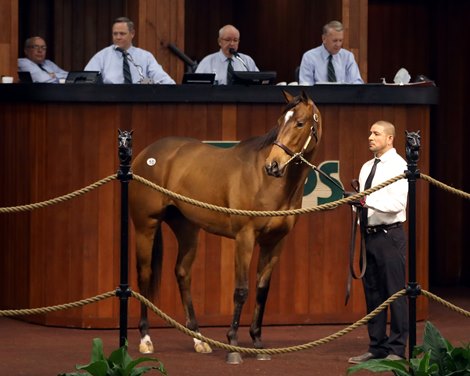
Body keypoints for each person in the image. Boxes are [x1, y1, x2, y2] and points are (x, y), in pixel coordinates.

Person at [348, 120, 409, 364]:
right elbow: (364, 203)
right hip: (370, 236)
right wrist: (357, 206)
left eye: (376, 133)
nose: (370, 137)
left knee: (395, 293)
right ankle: (377, 347)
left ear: (390, 138)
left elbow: (397, 205)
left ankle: (396, 349)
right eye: (370, 132)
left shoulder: (399, 166)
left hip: (389, 236)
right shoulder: (366, 167)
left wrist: (364, 202)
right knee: (373, 293)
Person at [85, 17, 175, 84]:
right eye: (115, 34)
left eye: (122, 34)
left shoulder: (145, 57)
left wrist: (149, 81)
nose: (118, 37)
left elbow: (163, 80)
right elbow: (85, 80)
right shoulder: (102, 56)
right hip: (110, 102)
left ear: (132, 34)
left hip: (139, 102)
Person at [299, 20, 363, 85]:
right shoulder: (309, 57)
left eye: (340, 40)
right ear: (324, 39)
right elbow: (305, 86)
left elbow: (357, 83)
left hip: (344, 95)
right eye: (335, 41)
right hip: (317, 95)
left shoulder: (348, 57)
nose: (338, 44)